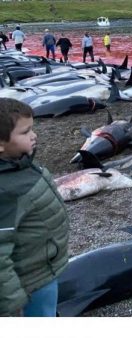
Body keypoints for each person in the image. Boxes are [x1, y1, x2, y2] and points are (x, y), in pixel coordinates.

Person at [0, 98, 70, 317]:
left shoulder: (20, 163)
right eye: (25, 132)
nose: (34, 135)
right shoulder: (6, 190)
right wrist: (13, 301)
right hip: (29, 282)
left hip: (41, 267)